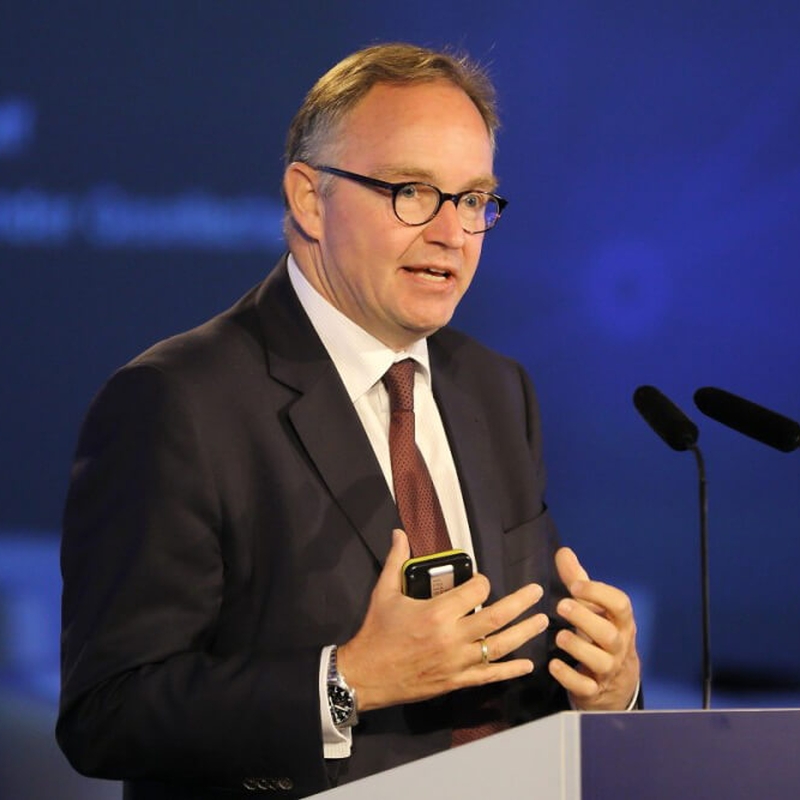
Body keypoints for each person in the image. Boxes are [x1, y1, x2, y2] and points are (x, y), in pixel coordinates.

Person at [57, 42, 640, 799]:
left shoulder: (497, 389)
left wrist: (604, 692)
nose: (451, 233)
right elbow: (109, 711)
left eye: (472, 200)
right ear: (308, 198)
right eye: (411, 191)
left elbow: (508, 672)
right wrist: (346, 683)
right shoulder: (177, 402)